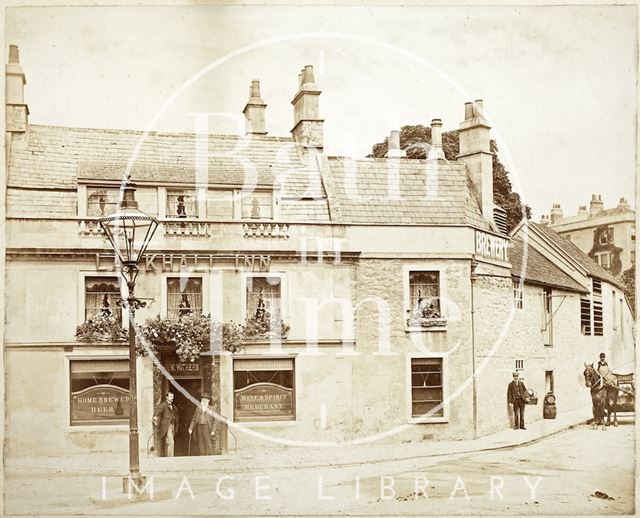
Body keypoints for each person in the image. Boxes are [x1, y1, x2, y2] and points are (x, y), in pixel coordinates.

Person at [152, 392, 179, 457]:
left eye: (173, 396)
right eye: (171, 396)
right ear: (167, 397)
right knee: (171, 443)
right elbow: (157, 411)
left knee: (168, 442)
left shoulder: (173, 406)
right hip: (167, 426)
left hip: (172, 425)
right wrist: (155, 416)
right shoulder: (163, 405)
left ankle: (167, 458)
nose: (172, 398)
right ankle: (170, 458)